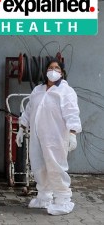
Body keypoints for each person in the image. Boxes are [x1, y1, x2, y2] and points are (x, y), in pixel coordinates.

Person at [16, 59, 81, 215]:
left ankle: (63, 200)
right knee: (38, 166)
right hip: (37, 136)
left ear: (62, 72)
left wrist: (72, 133)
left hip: (56, 136)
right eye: (50, 68)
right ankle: (44, 197)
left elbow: (72, 112)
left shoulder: (66, 91)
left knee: (56, 167)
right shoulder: (38, 90)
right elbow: (29, 110)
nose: (53, 70)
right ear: (45, 71)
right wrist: (21, 127)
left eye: (57, 68)